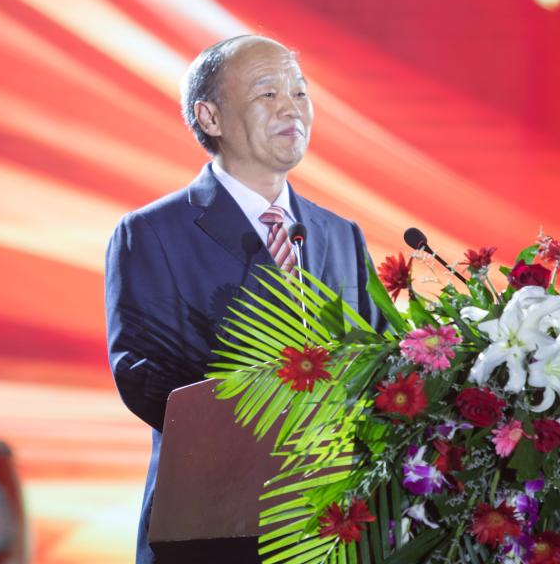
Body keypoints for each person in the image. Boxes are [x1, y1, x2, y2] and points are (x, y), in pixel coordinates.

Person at [104, 35, 382, 564]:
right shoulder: (153, 233)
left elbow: (378, 355)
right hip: (213, 522)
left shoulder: (340, 234)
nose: (291, 109)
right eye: (267, 93)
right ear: (210, 116)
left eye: (300, 93)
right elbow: (144, 374)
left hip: (334, 524)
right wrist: (283, 419)